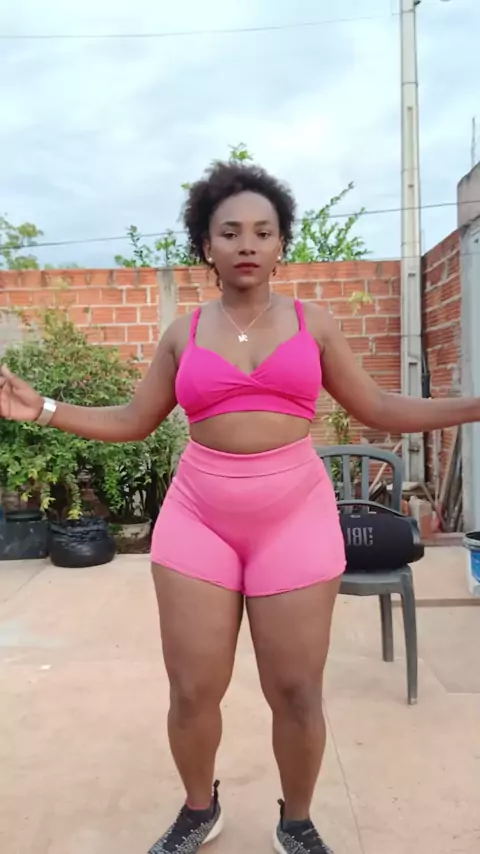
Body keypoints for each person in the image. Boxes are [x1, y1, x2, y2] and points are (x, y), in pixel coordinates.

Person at [1, 161, 479, 854]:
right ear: (207, 245)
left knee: (297, 691)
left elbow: (378, 405)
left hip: (294, 516)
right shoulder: (182, 333)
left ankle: (297, 821)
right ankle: (199, 810)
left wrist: (474, 405)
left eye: (263, 231)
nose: (247, 243)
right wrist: (42, 408)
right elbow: (134, 419)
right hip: (200, 515)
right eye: (230, 232)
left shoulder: (315, 325)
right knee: (193, 690)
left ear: (282, 243)